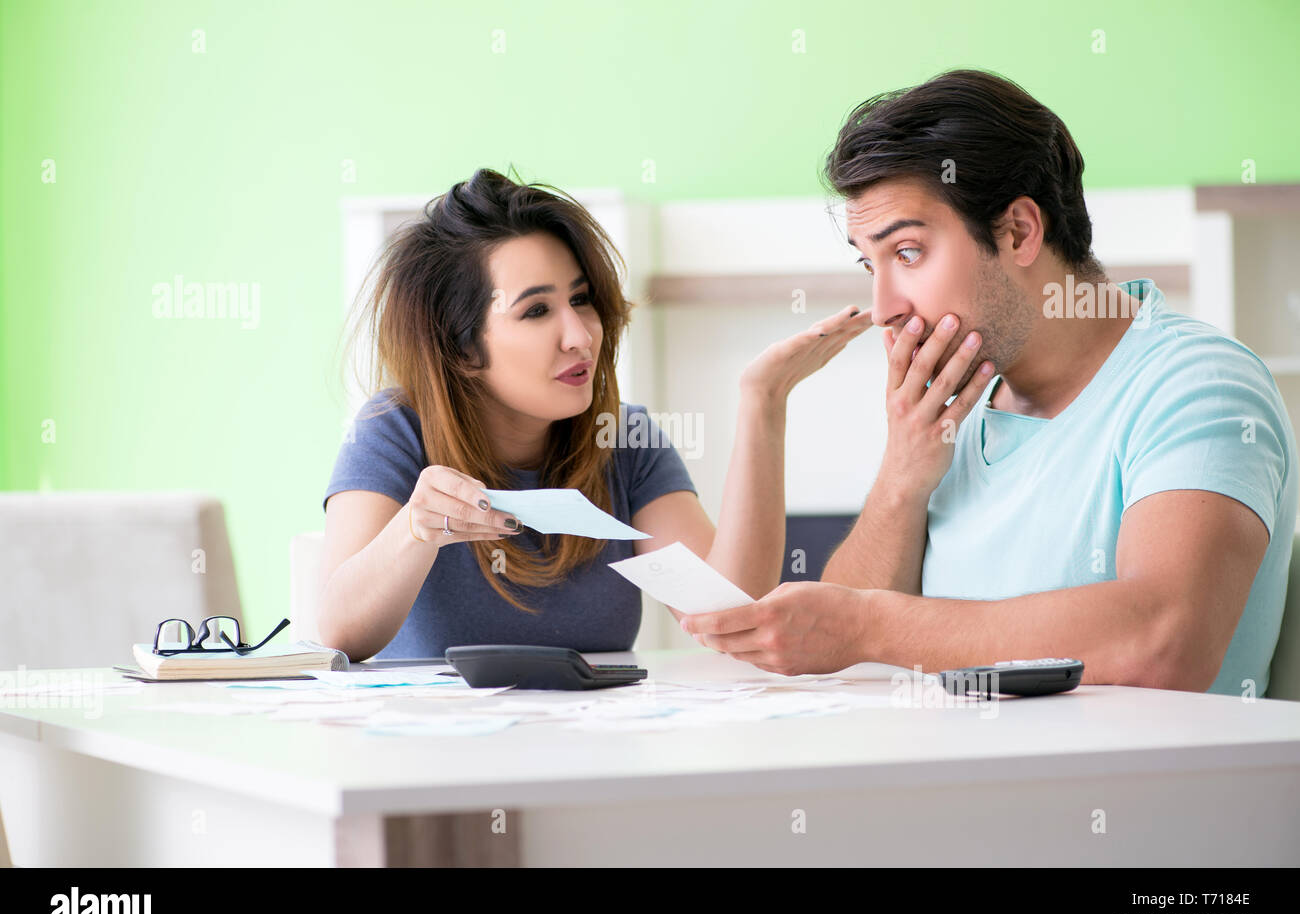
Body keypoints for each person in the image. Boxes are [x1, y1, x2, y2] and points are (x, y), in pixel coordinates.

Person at [680, 69, 1297, 696]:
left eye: (909, 253)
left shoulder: (1199, 385)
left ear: (1019, 231)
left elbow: (1165, 643)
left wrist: (871, 624)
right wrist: (901, 477)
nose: (885, 306)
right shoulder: (962, 408)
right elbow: (843, 652)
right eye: (871, 263)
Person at [319, 168, 870, 661]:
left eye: (580, 300)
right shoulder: (394, 431)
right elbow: (340, 634)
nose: (581, 336)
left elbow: (731, 610)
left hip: (598, 754)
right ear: (461, 347)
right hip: (432, 758)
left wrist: (764, 403)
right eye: (536, 310)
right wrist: (415, 531)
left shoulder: (626, 439)